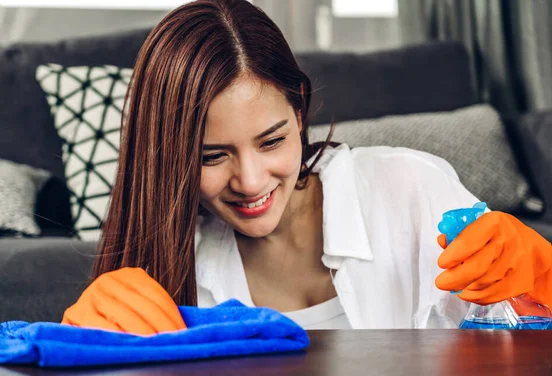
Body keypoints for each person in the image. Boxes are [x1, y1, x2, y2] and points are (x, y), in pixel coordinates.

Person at [74, 0, 552, 331]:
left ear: (299, 112)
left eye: (272, 141)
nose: (252, 180)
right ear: (171, 156)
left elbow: (521, 329)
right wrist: (80, 352)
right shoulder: (174, 261)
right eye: (212, 156)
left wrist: (545, 279)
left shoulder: (411, 187)